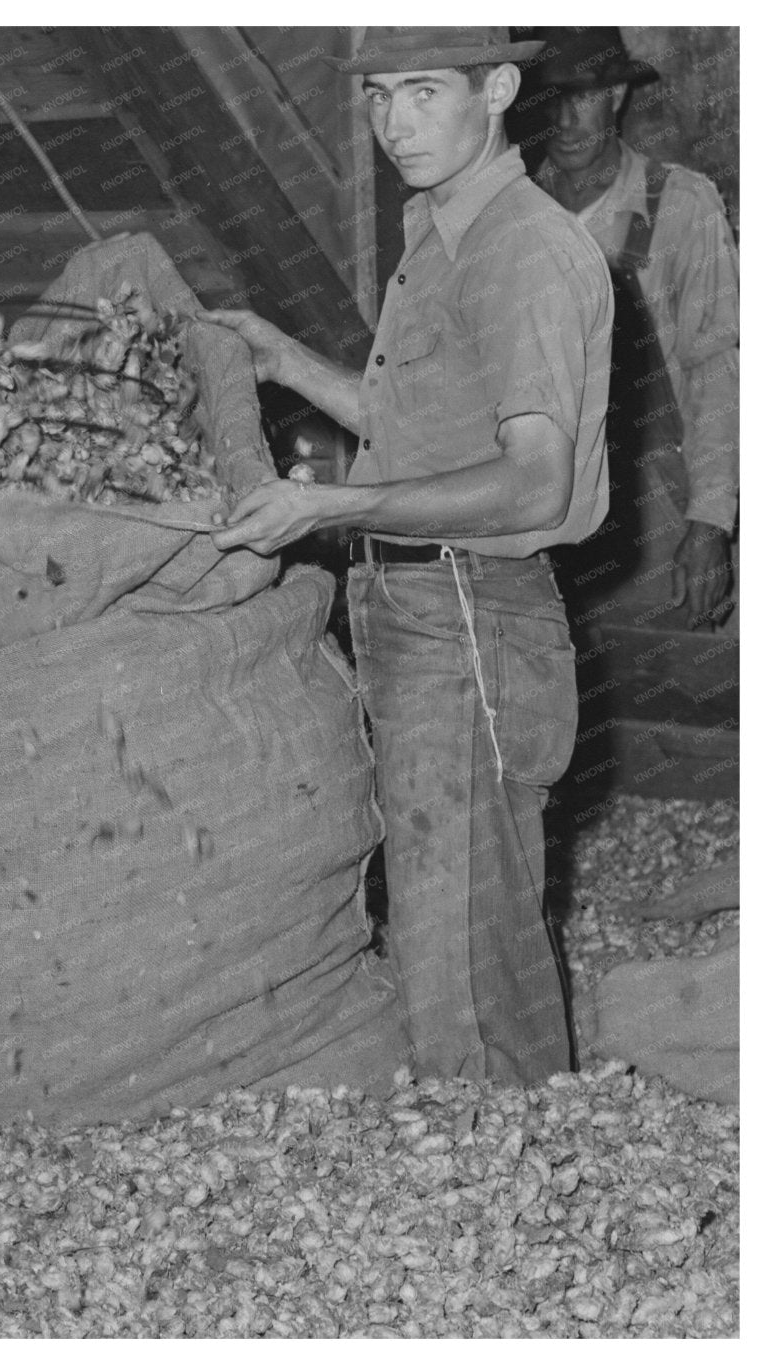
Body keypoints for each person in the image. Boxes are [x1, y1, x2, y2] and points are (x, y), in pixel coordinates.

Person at [200, 27, 611, 1084]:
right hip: (416, 603)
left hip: (473, 608)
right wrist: (282, 359)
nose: (393, 124)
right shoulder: (439, 229)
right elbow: (409, 426)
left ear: (499, 89)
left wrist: (328, 506)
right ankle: (490, 1155)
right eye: (378, 95)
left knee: (458, 915)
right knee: (456, 908)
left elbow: (532, 481)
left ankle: (477, 1167)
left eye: (422, 92)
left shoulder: (521, 246)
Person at [525, 26, 738, 630]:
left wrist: (710, 523)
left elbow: (718, 367)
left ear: (616, 93)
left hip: (656, 520)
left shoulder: (680, 205)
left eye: (584, 95)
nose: (565, 119)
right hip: (538, 522)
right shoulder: (511, 212)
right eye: (549, 97)